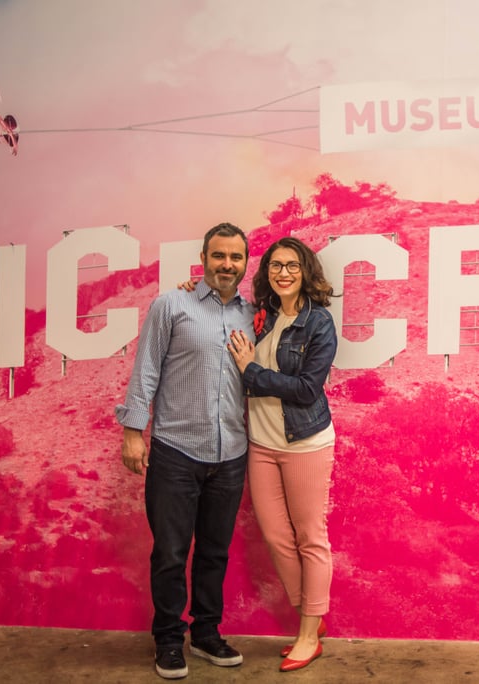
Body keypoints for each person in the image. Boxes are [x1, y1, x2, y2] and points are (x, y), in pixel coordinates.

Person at [116, 222, 254, 680]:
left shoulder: (251, 315)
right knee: (172, 552)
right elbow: (147, 368)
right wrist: (134, 431)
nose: (227, 265)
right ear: (204, 257)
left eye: (236, 257)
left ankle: (207, 633)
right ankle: (170, 639)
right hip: (176, 450)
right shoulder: (170, 305)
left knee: (215, 552)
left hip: (231, 454)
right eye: (219, 256)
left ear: (245, 263)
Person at [226, 236, 338, 673]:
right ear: (267, 272)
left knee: (310, 536)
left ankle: (308, 633)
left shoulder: (318, 322)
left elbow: (308, 388)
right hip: (263, 443)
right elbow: (218, 303)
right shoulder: (262, 315)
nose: (284, 273)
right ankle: (312, 612)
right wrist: (186, 287)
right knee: (275, 536)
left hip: (305, 442)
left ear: (305, 270)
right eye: (276, 266)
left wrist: (252, 371)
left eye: (292, 265)